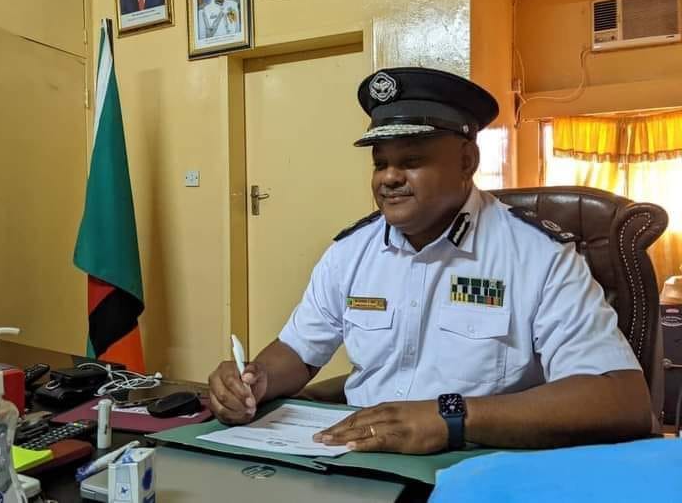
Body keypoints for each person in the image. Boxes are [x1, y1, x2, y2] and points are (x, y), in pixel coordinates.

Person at [208, 68, 652, 454]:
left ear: (467, 161)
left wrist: (451, 417)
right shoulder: (350, 252)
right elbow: (299, 350)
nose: (389, 178)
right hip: (356, 457)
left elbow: (621, 398)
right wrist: (256, 380)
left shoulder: (537, 255)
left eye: (412, 160)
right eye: (380, 163)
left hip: (476, 460)